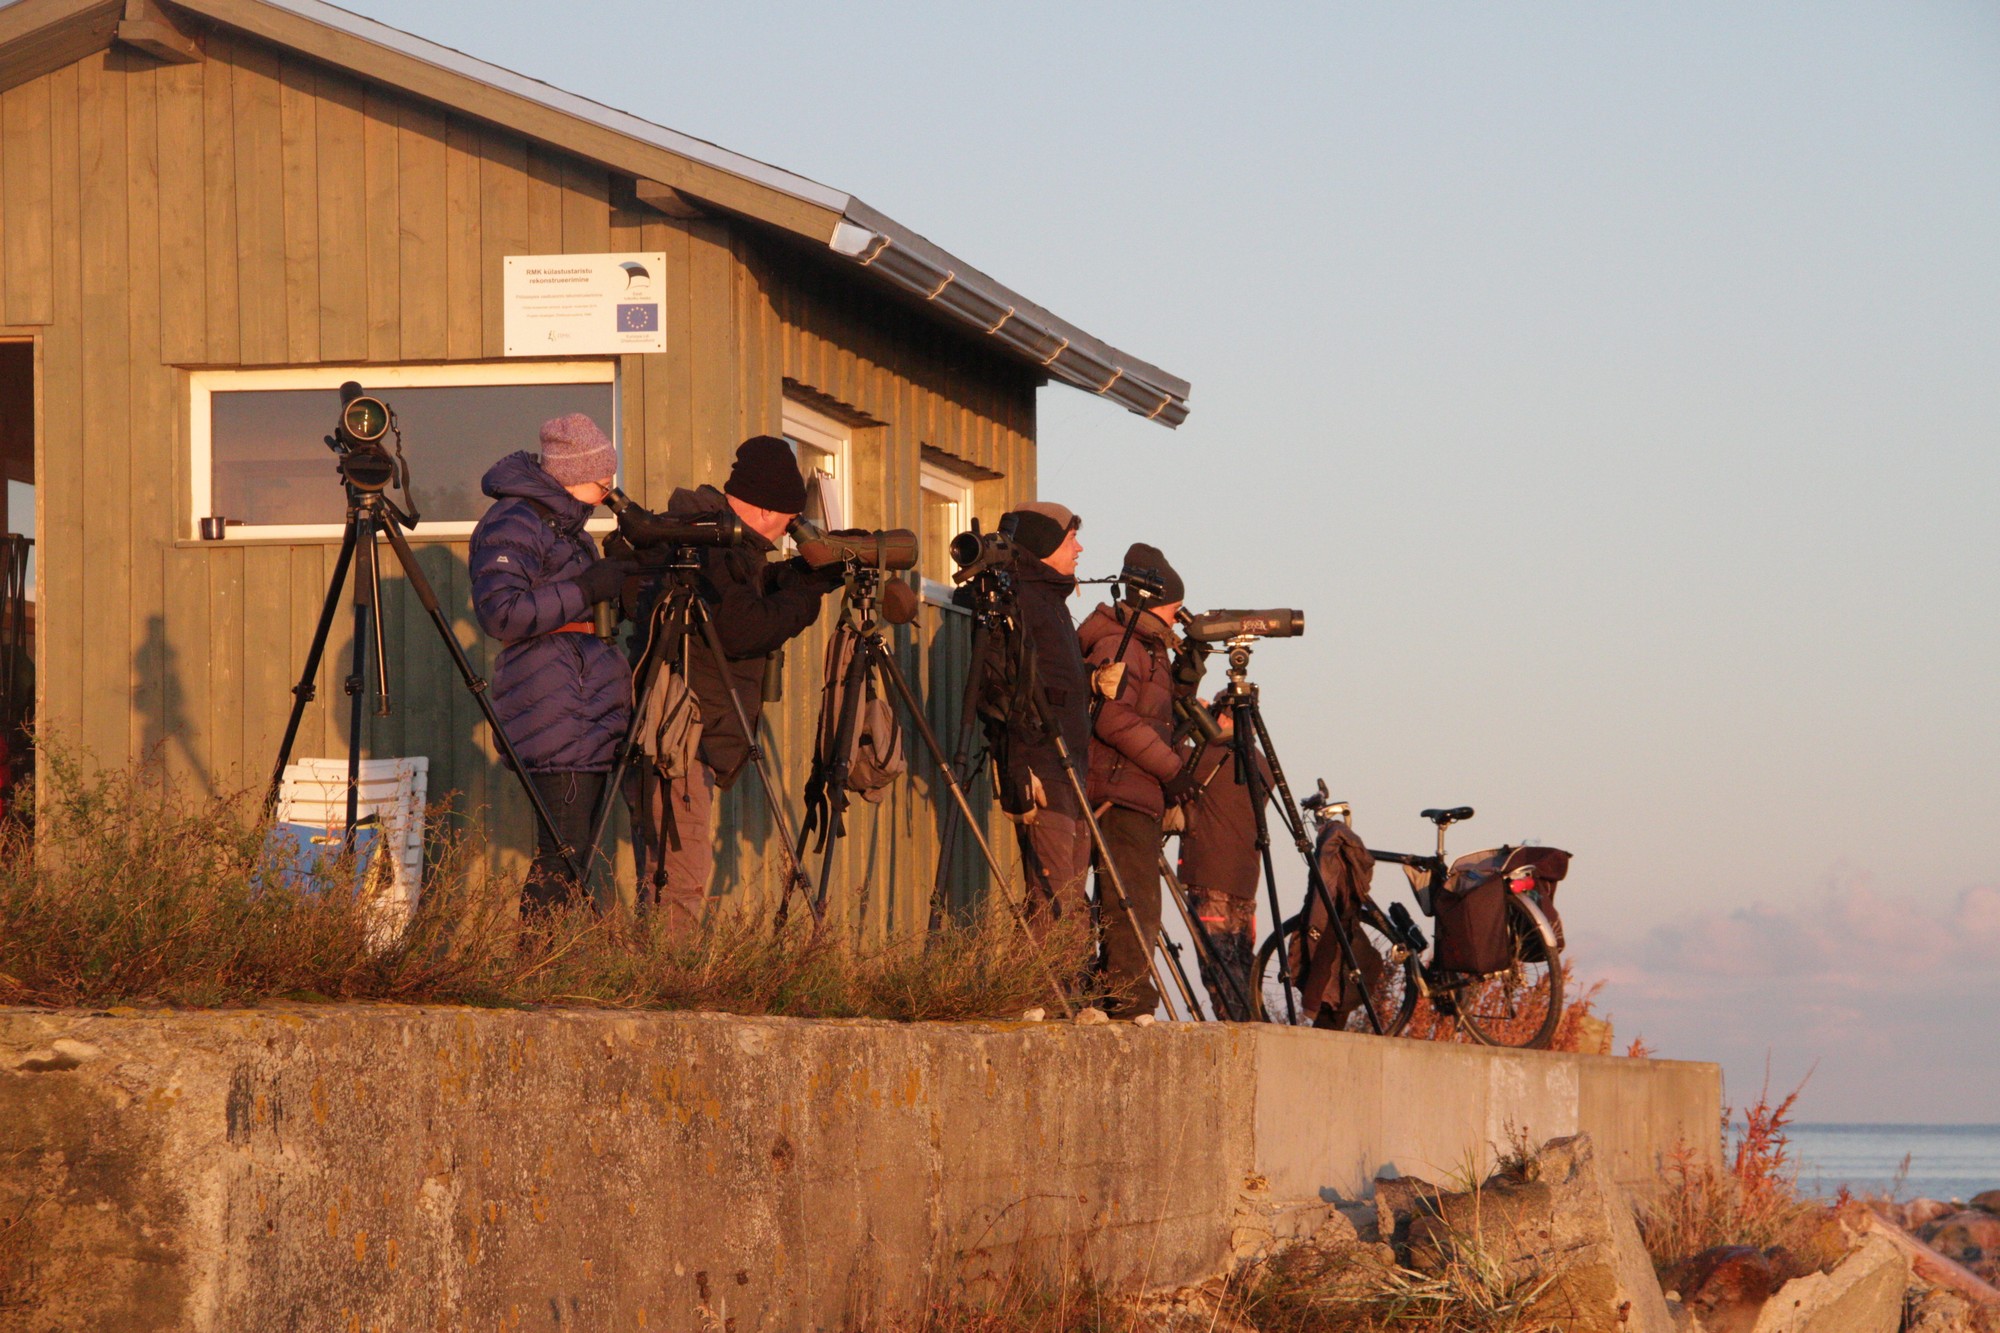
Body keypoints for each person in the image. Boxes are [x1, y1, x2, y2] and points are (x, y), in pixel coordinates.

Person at [630, 434, 845, 930]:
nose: (792, 531)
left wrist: (792, 576)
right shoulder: (705, 544)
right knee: (681, 874)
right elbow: (742, 627)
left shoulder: (725, 544)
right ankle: (669, 990)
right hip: (680, 733)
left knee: (676, 870)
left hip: (691, 728)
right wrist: (807, 591)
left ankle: (663, 978)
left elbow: (743, 598)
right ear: (771, 510)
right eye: (792, 521)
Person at [469, 413, 634, 916]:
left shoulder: (565, 526)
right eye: (603, 481)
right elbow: (502, 613)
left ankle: (553, 968)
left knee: (572, 853)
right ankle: (536, 966)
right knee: (560, 855)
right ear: (572, 475)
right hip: (555, 709)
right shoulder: (516, 521)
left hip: (578, 706)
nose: (609, 492)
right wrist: (587, 588)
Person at [1079, 543, 1199, 1017]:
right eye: (1173, 611)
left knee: (1130, 902)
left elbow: (1155, 712)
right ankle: (1127, 1003)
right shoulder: (1122, 643)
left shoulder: (1146, 646)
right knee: (1132, 903)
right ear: (1154, 604)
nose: (1177, 620)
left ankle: (1116, 995)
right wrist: (1172, 770)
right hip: (1118, 791)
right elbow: (1112, 718)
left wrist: (1189, 674)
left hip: (1129, 788)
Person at [990, 501, 1093, 930]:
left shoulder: (1051, 601)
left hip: (1072, 769)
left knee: (1070, 901)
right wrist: (1020, 766)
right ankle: (1035, 997)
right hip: (1042, 767)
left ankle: (1063, 995)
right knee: (1054, 899)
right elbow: (999, 690)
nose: (1080, 548)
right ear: (1045, 542)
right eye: (1071, 538)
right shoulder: (1017, 601)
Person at [1174, 694, 1272, 1020]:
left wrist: (1189, 716)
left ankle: (1235, 1037)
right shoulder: (1261, 762)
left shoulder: (1214, 755)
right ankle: (1251, 1029)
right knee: (1241, 964)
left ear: (1225, 718)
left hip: (1210, 876)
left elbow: (1169, 758)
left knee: (1217, 965)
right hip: (1246, 879)